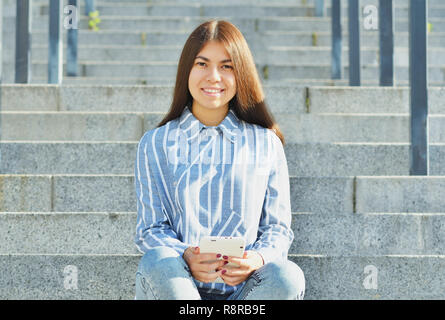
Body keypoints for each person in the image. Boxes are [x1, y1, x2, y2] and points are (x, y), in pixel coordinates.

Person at [134, 20, 305, 300]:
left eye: (227, 66)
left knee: (288, 276)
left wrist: (258, 259)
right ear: (186, 70)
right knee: (158, 260)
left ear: (241, 74)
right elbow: (150, 229)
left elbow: (277, 228)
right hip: (177, 285)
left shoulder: (266, 143)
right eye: (202, 64)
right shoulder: (155, 143)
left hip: (246, 293)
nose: (214, 76)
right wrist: (186, 255)